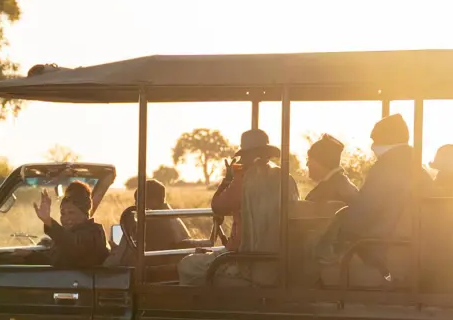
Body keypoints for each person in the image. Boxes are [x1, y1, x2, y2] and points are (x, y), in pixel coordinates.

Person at [319, 114, 431, 288]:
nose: (372, 146)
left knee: (315, 257)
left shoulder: (386, 168)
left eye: (375, 140)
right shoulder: (418, 168)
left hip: (379, 250)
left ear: (385, 141)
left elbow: (364, 212)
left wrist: (338, 229)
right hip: (408, 248)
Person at [177, 128, 298, 286]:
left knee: (188, 264)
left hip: (243, 257)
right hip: (279, 257)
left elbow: (218, 207)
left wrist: (227, 180)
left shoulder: (245, 180)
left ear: (248, 155)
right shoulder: (286, 178)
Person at [30, 180, 109, 268]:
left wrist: (48, 221)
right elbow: (55, 260)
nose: (66, 218)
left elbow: (73, 246)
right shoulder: (67, 237)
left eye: (71, 212)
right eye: (63, 213)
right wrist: (30, 256)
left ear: (85, 214)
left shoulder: (94, 234)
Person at [304, 133, 360, 206]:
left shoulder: (323, 193)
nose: (307, 164)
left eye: (310, 159)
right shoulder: (344, 186)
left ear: (322, 161)